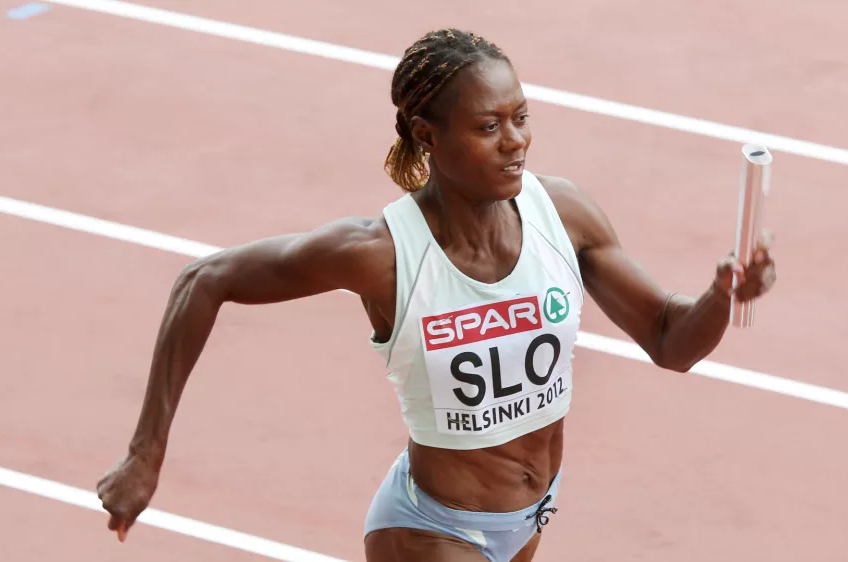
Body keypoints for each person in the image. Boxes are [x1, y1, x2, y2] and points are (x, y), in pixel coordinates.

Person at [94, 28, 776, 562]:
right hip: (430, 532)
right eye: (487, 128)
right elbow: (203, 279)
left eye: (520, 117)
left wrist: (721, 295)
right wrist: (144, 454)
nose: (515, 143)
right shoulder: (383, 254)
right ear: (428, 135)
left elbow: (669, 340)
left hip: (530, 516)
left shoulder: (560, 215)